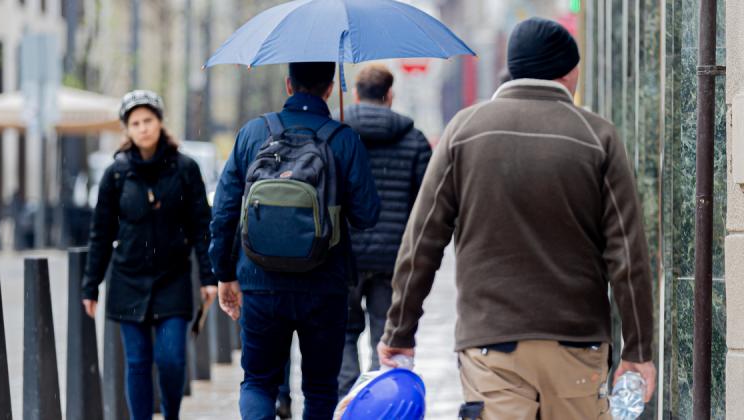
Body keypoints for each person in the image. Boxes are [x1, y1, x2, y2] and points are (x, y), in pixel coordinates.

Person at [377, 18, 656, 419]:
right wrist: (638, 351)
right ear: (568, 71)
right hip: (577, 344)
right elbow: (628, 256)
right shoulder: (599, 137)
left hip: (491, 344)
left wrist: (400, 332)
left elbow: (421, 242)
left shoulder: (463, 131)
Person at [210, 61, 380, 420]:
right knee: (320, 387)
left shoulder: (254, 132)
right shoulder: (343, 138)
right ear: (330, 89)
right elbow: (367, 216)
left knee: (258, 382)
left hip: (259, 281)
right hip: (324, 284)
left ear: (289, 85)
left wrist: (224, 273)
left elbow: (224, 210)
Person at [82, 90, 217, 420]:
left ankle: (171, 413)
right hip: (128, 277)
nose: (143, 128)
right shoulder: (116, 174)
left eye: (148, 120)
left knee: (172, 359)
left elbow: (201, 226)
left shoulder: (185, 169)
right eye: (135, 123)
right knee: (138, 362)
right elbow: (101, 232)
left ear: (160, 123)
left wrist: (209, 278)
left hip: (173, 277)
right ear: (127, 129)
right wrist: (91, 285)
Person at [337, 64, 431, 398]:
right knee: (386, 335)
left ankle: (347, 401)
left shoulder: (336, 136)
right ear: (390, 95)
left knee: (343, 332)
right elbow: (427, 204)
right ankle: (381, 403)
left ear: (356, 95)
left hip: (344, 255)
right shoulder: (415, 140)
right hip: (394, 258)